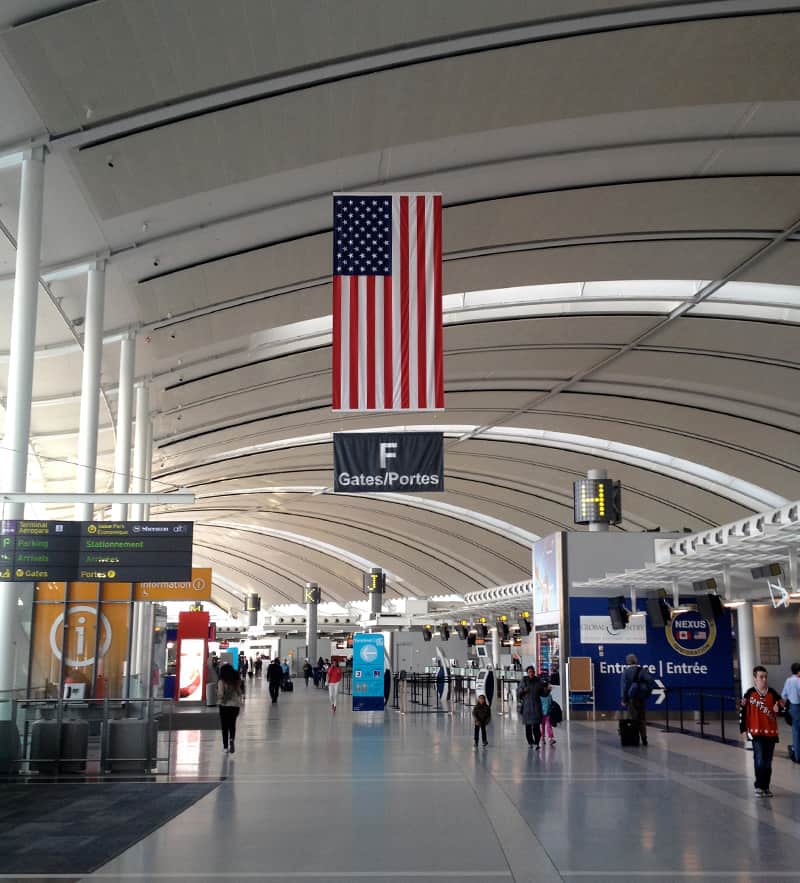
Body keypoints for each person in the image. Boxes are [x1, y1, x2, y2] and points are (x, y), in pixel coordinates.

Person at [741, 665, 785, 797]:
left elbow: (783, 708)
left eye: (765, 677)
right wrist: (743, 728)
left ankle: (766, 786)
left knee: (768, 761)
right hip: (756, 732)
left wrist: (780, 709)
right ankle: (759, 786)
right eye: (761, 677)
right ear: (755, 678)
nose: (764, 679)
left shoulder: (772, 693)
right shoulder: (749, 693)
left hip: (770, 733)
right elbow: (743, 712)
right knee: (759, 759)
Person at [620, 653, 654, 745]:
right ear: (636, 660)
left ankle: (634, 739)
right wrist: (647, 693)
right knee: (642, 719)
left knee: (633, 719)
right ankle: (644, 739)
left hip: (631, 699)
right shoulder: (642, 671)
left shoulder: (626, 672)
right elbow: (650, 681)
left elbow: (624, 687)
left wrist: (623, 700)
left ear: (628, 661)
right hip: (641, 698)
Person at [518, 665, 548, 749]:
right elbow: (519, 693)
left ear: (534, 672)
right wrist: (523, 691)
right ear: (527, 673)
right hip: (527, 707)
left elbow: (543, 694)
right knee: (528, 727)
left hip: (536, 706)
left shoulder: (538, 681)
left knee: (536, 726)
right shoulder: (524, 680)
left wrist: (547, 690)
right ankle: (530, 742)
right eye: (529, 672)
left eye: (532, 672)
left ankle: (537, 742)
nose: (531, 673)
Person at [217, 664, 243, 754]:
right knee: (232, 724)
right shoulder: (236, 680)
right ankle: (231, 739)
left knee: (224, 726)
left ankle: (225, 747)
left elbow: (220, 694)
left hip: (224, 706)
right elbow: (239, 692)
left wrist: (218, 697)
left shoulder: (222, 681)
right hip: (235, 706)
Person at [781, 662, 800, 763]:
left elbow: (783, 695)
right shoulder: (799, 681)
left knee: (795, 732)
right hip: (798, 707)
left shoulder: (788, 680)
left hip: (792, 708)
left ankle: (797, 756)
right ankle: (798, 756)